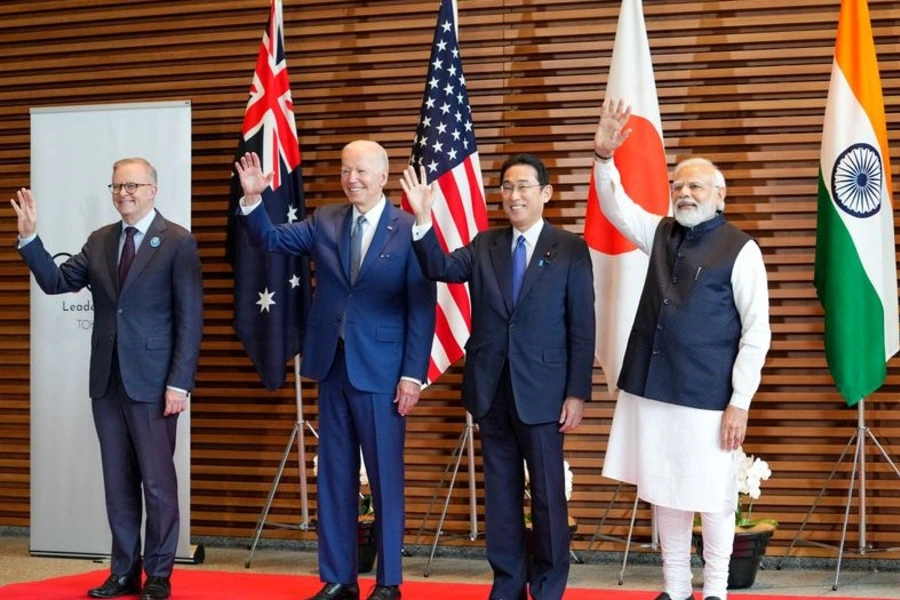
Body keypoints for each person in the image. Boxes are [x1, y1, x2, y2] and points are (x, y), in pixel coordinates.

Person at [234, 140, 436, 600]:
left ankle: (388, 582)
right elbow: (270, 239)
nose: (352, 179)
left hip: (384, 372)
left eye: (361, 171)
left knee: (385, 478)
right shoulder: (325, 220)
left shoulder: (410, 227)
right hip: (332, 365)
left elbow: (422, 309)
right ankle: (339, 577)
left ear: (383, 176)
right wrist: (252, 200)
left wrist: (412, 374)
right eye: (346, 171)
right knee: (334, 475)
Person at [592, 100, 771, 600]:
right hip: (653, 389)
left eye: (696, 186)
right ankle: (675, 589)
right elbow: (615, 206)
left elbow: (757, 332)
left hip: (709, 398)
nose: (685, 193)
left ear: (720, 194)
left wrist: (740, 401)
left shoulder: (741, 248)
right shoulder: (660, 231)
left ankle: (715, 591)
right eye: (678, 186)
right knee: (663, 491)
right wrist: (604, 158)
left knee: (712, 498)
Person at [401, 154, 595, 600]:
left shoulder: (569, 248)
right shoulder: (485, 243)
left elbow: (582, 326)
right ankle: (507, 585)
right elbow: (440, 269)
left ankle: (547, 587)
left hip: (545, 394)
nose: (514, 195)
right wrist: (423, 218)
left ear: (545, 193)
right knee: (501, 500)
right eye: (507, 186)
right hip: (491, 390)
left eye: (524, 185)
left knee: (547, 497)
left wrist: (576, 393)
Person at [11, 158, 203, 600]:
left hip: (155, 384)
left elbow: (190, 319)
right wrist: (30, 238)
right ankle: (123, 572)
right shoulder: (100, 240)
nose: (123, 193)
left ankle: (158, 574)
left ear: (153, 190)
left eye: (132, 185)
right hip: (107, 381)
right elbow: (58, 282)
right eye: (117, 186)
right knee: (117, 482)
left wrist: (180, 382)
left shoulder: (177, 242)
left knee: (157, 483)